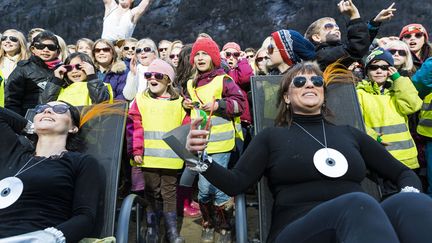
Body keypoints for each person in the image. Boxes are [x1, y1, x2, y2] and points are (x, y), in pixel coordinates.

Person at [186, 61, 432, 243]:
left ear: (324, 95)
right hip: (298, 230)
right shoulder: (272, 137)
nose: (310, 85)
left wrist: (410, 190)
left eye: (317, 82)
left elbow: (402, 173)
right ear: (287, 97)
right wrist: (199, 158)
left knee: (414, 202)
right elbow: (235, 183)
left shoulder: (350, 134)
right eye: (300, 82)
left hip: (359, 222)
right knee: (357, 203)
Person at [0, 101, 101, 243]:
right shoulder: (13, 154)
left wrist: (50, 237)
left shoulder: (80, 162)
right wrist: (30, 127)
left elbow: (85, 217)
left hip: (35, 237)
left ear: (73, 128)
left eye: (60, 109)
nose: (47, 111)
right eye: (41, 109)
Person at [183, 37, 245, 242]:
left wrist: (218, 105)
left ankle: (224, 225)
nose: (200, 58)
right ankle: (208, 222)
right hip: (198, 145)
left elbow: (240, 105)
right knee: (203, 189)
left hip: (220, 144)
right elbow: (193, 111)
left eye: (205, 54)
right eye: (197, 54)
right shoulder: (191, 84)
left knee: (217, 188)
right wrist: (186, 105)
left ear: (214, 58)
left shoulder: (224, 79)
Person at [127, 59, 185, 243]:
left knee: (169, 193)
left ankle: (171, 231)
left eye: (158, 75)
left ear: (168, 80)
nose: (152, 78)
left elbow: (186, 129)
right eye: (148, 75)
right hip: (147, 159)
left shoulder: (181, 102)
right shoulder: (141, 100)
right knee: (151, 193)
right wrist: (136, 150)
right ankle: (152, 228)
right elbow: (134, 127)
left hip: (171, 160)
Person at [356, 48, 422, 169]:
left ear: (390, 71)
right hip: (379, 156)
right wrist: (373, 137)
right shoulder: (359, 94)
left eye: (384, 67)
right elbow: (356, 122)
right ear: (367, 71)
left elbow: (413, 106)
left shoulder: (397, 90)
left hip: (407, 158)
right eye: (373, 67)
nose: (379, 71)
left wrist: (398, 79)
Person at [5, 30, 62, 116]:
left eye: (51, 47)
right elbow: (12, 100)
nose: (45, 50)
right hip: (28, 119)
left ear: (58, 51)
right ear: (33, 49)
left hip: (58, 117)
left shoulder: (63, 70)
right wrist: (19, 123)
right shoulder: (23, 68)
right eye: (40, 46)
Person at [304, 0, 369, 70]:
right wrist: (354, 15)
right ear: (317, 37)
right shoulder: (322, 55)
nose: (336, 28)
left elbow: (363, 43)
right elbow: (356, 47)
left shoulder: (336, 51)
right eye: (329, 26)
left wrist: (374, 24)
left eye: (336, 26)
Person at [41, 52, 112, 106]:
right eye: (69, 68)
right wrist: (56, 80)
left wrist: (92, 76)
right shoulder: (61, 90)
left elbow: (102, 104)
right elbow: (45, 104)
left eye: (79, 67)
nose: (74, 71)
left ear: (89, 67)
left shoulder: (102, 86)